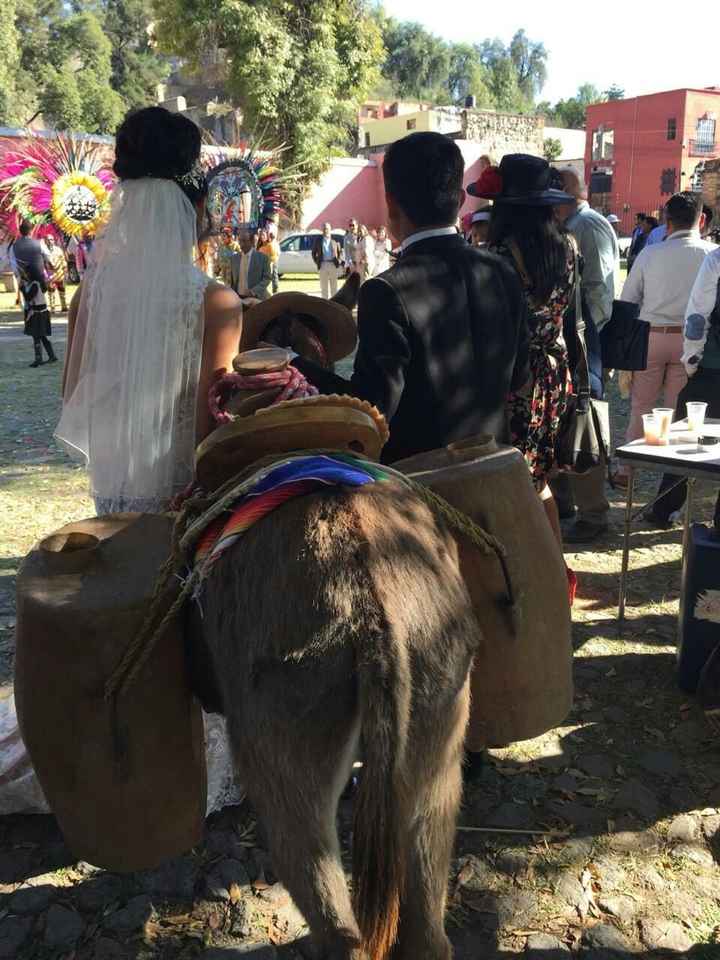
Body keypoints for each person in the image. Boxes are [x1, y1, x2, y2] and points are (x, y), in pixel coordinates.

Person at [53, 106, 243, 818]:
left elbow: (74, 394)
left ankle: (131, 744)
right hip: (181, 497)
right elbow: (212, 428)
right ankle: (190, 752)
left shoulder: (91, 293)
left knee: (131, 621)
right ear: (191, 203)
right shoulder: (216, 302)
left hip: (113, 494)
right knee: (187, 631)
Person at [291, 131, 530, 467]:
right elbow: (519, 376)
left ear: (390, 204)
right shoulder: (502, 270)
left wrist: (294, 363)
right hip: (495, 473)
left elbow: (371, 409)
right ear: (461, 199)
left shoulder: (386, 290)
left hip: (421, 483)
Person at [473, 155, 578, 558]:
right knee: (538, 479)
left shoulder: (498, 256)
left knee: (513, 479)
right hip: (554, 374)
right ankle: (556, 569)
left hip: (516, 380)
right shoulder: (567, 246)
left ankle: (532, 570)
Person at [616, 192, 716, 480]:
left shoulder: (650, 253)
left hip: (651, 336)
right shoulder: (712, 254)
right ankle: (671, 475)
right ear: (702, 220)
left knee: (641, 406)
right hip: (691, 341)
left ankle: (626, 469)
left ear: (666, 221)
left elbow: (628, 299)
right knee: (677, 411)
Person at [553, 166, 619, 542]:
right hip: (574, 340)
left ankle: (593, 513)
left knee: (585, 422)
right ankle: (566, 501)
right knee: (568, 423)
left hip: (583, 342)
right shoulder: (573, 225)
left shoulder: (587, 226)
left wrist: (580, 338)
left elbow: (599, 290)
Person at [646, 245, 720, 526]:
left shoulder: (716, 259)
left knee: (685, 440)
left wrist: (692, 361)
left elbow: (697, 317)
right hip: (710, 365)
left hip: (710, 368)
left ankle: (665, 509)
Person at [14, 220, 57, 367]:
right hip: (40, 310)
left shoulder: (33, 286)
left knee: (36, 335)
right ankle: (51, 356)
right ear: (31, 230)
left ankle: (39, 359)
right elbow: (48, 260)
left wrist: (21, 287)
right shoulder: (38, 244)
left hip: (37, 312)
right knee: (41, 335)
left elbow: (28, 297)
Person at [229, 228, 272, 308]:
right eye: (240, 241)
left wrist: (253, 291)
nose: (241, 244)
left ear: (252, 242)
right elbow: (230, 281)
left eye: (244, 241)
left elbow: (267, 278)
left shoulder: (262, 258)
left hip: (257, 300)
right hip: (238, 300)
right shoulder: (234, 259)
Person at [311, 222, 343, 299]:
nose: (325, 231)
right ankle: (325, 303)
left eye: (327, 229)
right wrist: (317, 262)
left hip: (333, 264)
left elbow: (340, 252)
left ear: (330, 230)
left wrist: (338, 261)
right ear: (322, 230)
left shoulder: (335, 240)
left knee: (334, 287)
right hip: (323, 265)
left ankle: (334, 302)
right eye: (324, 229)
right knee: (324, 288)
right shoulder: (318, 240)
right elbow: (313, 253)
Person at [42, 234, 68, 313]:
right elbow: (42, 263)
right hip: (50, 274)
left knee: (62, 290)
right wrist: (45, 273)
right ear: (45, 241)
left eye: (52, 239)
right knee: (51, 291)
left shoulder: (58, 249)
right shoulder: (43, 251)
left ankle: (64, 306)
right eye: (48, 240)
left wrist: (65, 270)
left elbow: (63, 260)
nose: (50, 241)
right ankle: (52, 308)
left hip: (60, 273)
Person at [259, 225, 280, 293]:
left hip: (271, 263)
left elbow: (275, 255)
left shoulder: (271, 245)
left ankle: (275, 292)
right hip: (263, 264)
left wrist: (270, 263)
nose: (262, 237)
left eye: (263, 235)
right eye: (261, 235)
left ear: (267, 236)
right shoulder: (260, 246)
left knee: (274, 276)